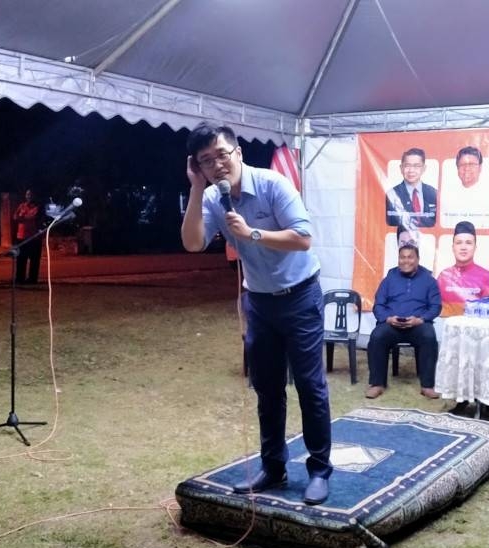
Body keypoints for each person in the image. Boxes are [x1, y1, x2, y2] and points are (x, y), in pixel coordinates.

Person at [182, 122, 332, 506]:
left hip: (300, 297)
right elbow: (194, 243)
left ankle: (318, 470)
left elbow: (303, 238)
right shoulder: (213, 198)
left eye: (221, 155)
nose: (216, 165)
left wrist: (252, 234)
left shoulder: (273, 184)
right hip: (260, 303)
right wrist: (196, 189)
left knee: (310, 387)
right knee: (267, 389)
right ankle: (274, 467)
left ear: (238, 152)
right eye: (205, 161)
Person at [365, 244, 443, 400]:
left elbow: (435, 307)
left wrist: (420, 320)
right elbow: (378, 305)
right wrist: (388, 319)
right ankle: (377, 384)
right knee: (377, 336)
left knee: (429, 336)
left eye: (410, 257)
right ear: (398, 259)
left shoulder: (429, 281)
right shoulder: (389, 280)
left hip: (417, 325)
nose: (406, 261)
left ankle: (427, 386)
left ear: (417, 259)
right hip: (392, 324)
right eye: (402, 257)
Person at [436, 220, 489, 306]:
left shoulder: (487, 277)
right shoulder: (443, 276)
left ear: (475, 247)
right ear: (453, 247)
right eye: (459, 243)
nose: (463, 247)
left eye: (468, 243)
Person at [385, 148, 438, 236]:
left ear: (424, 168)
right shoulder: (391, 194)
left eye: (416, 166)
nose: (411, 170)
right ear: (401, 168)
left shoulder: (434, 193)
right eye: (407, 165)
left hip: (428, 242)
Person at [440, 146, 489, 229]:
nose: (467, 169)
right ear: (457, 168)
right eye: (462, 165)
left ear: (480, 168)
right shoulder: (447, 196)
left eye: (472, 164)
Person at [12, 188, 43, 284]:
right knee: (21, 259)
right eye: (27, 194)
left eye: (31, 194)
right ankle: (19, 278)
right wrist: (25, 217)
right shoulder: (22, 206)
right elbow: (15, 217)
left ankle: (32, 279)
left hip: (34, 237)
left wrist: (23, 217)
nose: (29, 196)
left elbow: (34, 217)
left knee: (34, 260)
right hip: (21, 236)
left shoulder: (39, 207)